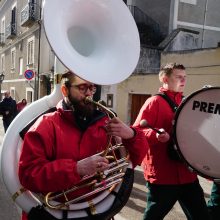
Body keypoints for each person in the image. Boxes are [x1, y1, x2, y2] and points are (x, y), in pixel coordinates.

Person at [18, 71, 148, 220]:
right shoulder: (45, 124)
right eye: (82, 88)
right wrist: (76, 169)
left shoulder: (106, 122)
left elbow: (135, 159)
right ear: (65, 90)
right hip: (55, 214)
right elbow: (28, 175)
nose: (89, 94)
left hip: (100, 211)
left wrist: (132, 135)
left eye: (92, 88)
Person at [133, 63, 210, 220]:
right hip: (163, 176)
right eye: (178, 77)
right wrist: (156, 136)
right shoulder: (154, 102)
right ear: (165, 78)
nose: (183, 80)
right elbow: (137, 131)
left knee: (201, 216)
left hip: (187, 174)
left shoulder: (189, 102)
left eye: (185, 77)